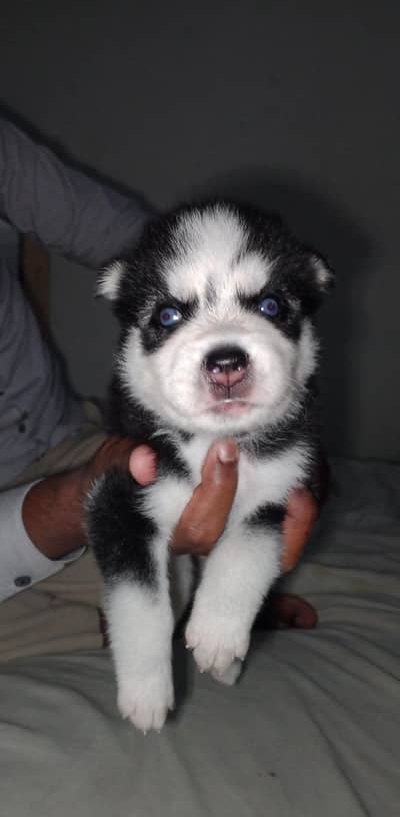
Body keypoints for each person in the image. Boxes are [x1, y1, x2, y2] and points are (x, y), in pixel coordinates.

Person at [0, 115, 321, 661]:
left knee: (239, 517)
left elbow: (157, 250)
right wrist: (74, 500)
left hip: (67, 436)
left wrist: (279, 409)